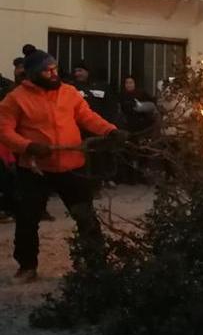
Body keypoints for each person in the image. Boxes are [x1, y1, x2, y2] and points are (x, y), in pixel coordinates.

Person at [0, 48, 124, 283]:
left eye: (55, 69)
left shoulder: (69, 93)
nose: (54, 73)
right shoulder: (16, 98)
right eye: (47, 71)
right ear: (34, 74)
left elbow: (87, 117)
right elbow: (3, 130)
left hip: (71, 166)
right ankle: (27, 266)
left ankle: (95, 262)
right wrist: (28, 146)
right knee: (27, 219)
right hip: (35, 169)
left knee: (85, 215)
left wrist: (110, 131)